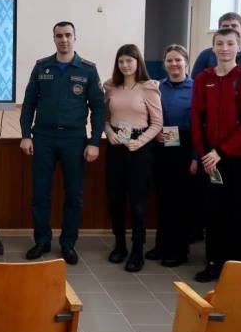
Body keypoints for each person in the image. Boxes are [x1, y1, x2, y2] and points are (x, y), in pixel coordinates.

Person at [19, 21, 105, 265]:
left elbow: (98, 109)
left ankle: (68, 244)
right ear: (54, 38)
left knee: (74, 195)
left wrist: (94, 141)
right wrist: (26, 135)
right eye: (59, 35)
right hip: (43, 138)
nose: (64, 39)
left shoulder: (88, 70)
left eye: (68, 35)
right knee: (40, 194)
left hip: (74, 139)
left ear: (75, 37)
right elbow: (29, 104)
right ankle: (42, 241)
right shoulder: (41, 67)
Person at [191, 28, 241, 282]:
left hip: (238, 159)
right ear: (213, 48)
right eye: (219, 43)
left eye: (230, 43)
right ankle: (213, 262)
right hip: (210, 159)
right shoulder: (203, 79)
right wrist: (205, 154)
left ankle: (234, 267)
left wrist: (221, 152)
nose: (224, 48)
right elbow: (197, 118)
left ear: (239, 47)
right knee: (213, 212)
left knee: (237, 214)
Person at [102, 44, 162, 272]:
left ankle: (137, 251)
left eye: (129, 60)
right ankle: (120, 245)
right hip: (116, 144)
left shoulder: (148, 87)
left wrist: (141, 141)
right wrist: (109, 133)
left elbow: (157, 123)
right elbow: (105, 117)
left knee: (137, 203)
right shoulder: (111, 86)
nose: (125, 65)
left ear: (138, 62)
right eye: (121, 61)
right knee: (115, 199)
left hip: (140, 148)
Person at [147, 44, 196, 267]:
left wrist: (196, 157)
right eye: (170, 60)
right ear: (164, 64)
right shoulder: (158, 87)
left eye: (178, 60)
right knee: (163, 198)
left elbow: (200, 126)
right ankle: (162, 245)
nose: (174, 64)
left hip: (185, 147)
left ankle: (179, 250)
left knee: (181, 201)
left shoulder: (196, 88)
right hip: (162, 147)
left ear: (186, 62)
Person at [192, 12, 241, 76]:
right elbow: (195, 81)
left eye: (234, 26)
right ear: (219, 30)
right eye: (225, 26)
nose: (230, 28)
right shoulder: (205, 55)